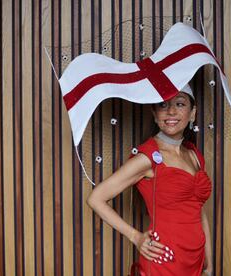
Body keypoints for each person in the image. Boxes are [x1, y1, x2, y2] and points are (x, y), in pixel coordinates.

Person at [87, 84, 213, 275]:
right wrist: (136, 237)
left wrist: (209, 264)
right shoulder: (147, 157)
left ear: (192, 113)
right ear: (155, 114)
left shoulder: (194, 154)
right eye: (163, 105)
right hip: (164, 257)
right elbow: (96, 198)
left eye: (179, 104)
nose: (171, 111)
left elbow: (198, 211)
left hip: (195, 258)